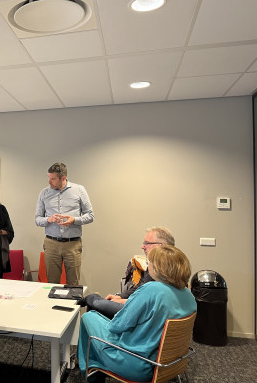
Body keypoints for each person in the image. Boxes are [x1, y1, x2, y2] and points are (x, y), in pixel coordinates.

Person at [77, 245, 197, 382]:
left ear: (159, 268)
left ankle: (90, 373)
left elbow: (116, 326)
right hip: (169, 364)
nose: (148, 266)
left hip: (136, 364)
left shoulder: (152, 290)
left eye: (149, 262)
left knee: (89, 317)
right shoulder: (189, 295)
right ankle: (95, 367)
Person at [83, 226, 175, 318]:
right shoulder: (158, 265)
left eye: (147, 243)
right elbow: (140, 288)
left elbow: (145, 303)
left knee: (91, 310)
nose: (142, 247)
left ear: (160, 245)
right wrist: (121, 297)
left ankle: (88, 299)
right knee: (97, 304)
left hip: (138, 315)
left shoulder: (161, 269)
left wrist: (124, 301)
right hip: (138, 309)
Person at [35, 162, 94, 285]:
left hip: (72, 244)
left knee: (73, 284)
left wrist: (74, 220)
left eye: (53, 179)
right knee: (52, 284)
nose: (49, 181)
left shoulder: (79, 190)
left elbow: (90, 215)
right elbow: (37, 219)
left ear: (63, 178)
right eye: (48, 178)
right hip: (51, 244)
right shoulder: (44, 193)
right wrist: (48, 220)